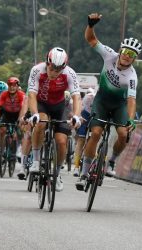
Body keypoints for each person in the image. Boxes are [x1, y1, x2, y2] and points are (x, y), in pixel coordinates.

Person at [76, 13, 139, 189]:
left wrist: (131, 119)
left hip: (119, 105)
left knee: (123, 134)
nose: (127, 56)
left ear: (134, 58)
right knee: (95, 134)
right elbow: (91, 39)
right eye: (126, 52)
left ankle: (111, 160)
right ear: (121, 51)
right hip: (102, 101)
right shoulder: (109, 55)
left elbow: (132, 100)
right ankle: (84, 173)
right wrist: (90, 25)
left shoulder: (132, 76)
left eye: (132, 55)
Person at [27, 47, 81, 192]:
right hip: (41, 103)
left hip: (60, 106)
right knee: (40, 123)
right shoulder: (37, 70)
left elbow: (76, 96)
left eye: (58, 70)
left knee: (62, 141)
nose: (53, 73)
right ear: (47, 63)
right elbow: (31, 94)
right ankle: (36, 160)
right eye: (51, 68)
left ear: (63, 68)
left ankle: (56, 174)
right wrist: (34, 113)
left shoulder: (70, 73)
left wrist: (76, 115)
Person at [0, 77, 26, 178]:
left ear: (17, 86)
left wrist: (20, 120)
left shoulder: (21, 95)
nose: (12, 87)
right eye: (10, 85)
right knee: (2, 130)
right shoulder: (4, 94)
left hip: (17, 114)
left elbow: (23, 107)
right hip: (7, 114)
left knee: (17, 133)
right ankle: (1, 150)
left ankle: (15, 152)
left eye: (14, 85)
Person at [73, 88, 96, 177]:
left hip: (94, 115)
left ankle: (89, 163)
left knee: (92, 140)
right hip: (85, 114)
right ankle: (76, 167)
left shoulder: (98, 97)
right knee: (81, 140)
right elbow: (79, 111)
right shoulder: (86, 98)